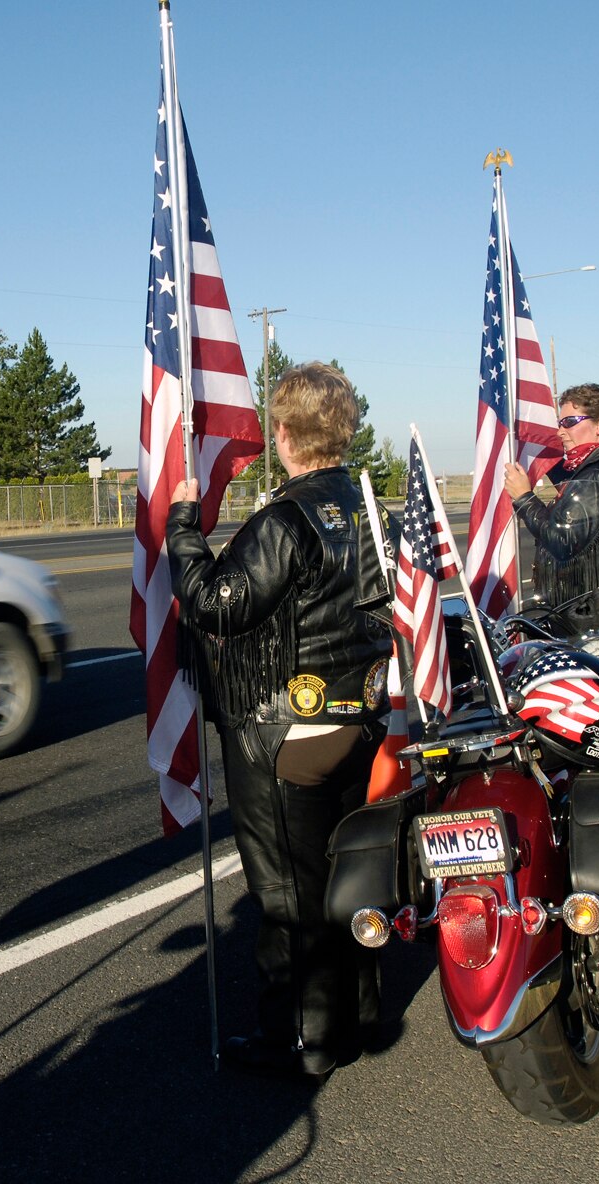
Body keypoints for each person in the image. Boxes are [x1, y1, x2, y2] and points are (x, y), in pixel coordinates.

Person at [166, 362, 393, 1080]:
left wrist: (182, 529)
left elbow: (217, 603)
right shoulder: (364, 504)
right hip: (356, 716)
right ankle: (356, 1016)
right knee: (343, 874)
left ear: (285, 432)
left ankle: (303, 1038)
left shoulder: (287, 517)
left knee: (287, 896)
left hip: (286, 729)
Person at [502, 382, 599, 621]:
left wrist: (524, 498)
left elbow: (563, 540)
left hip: (592, 610)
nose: (560, 431)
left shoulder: (598, 475)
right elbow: (576, 489)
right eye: (559, 423)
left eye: (569, 422)